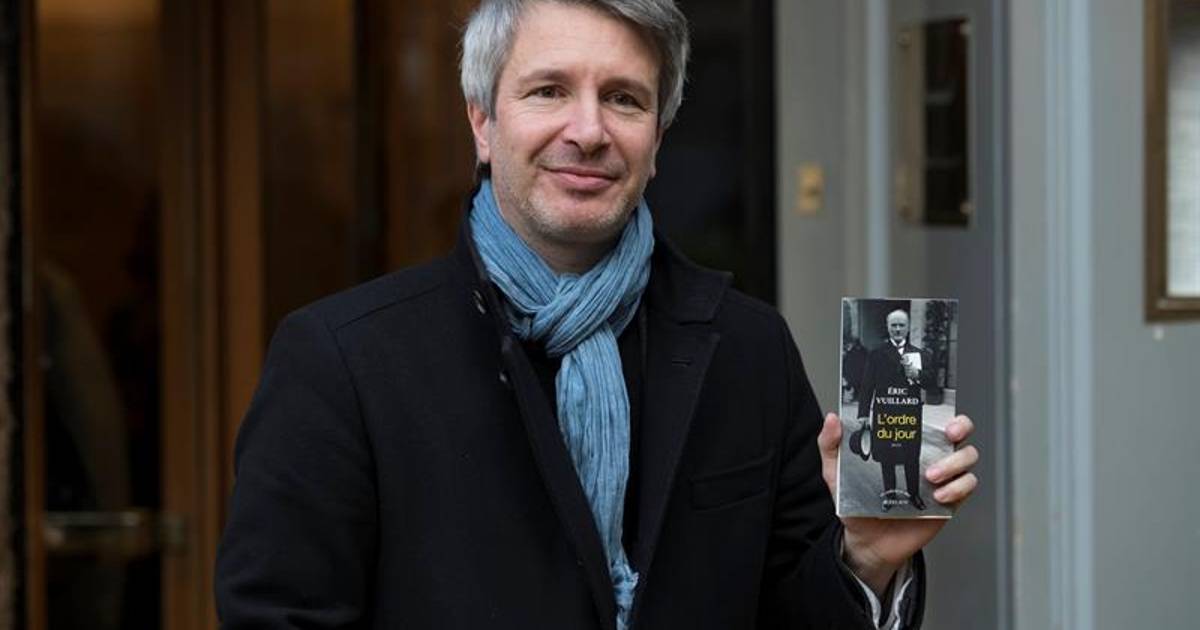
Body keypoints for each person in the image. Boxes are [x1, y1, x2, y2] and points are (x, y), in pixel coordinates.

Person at [214, 1, 980, 628]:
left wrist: (866, 561)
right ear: (481, 122)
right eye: (548, 90)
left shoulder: (749, 350)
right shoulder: (342, 362)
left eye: (624, 98)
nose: (588, 131)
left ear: (657, 139)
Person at [855, 309, 938, 512]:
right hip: (886, 413)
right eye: (894, 325)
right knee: (887, 455)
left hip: (910, 414)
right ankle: (889, 495)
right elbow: (867, 385)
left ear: (908, 327)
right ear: (888, 327)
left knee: (911, 455)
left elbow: (932, 384)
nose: (898, 329)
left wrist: (917, 374)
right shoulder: (876, 354)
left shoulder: (921, 354)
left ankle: (914, 495)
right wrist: (863, 413)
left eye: (901, 325)